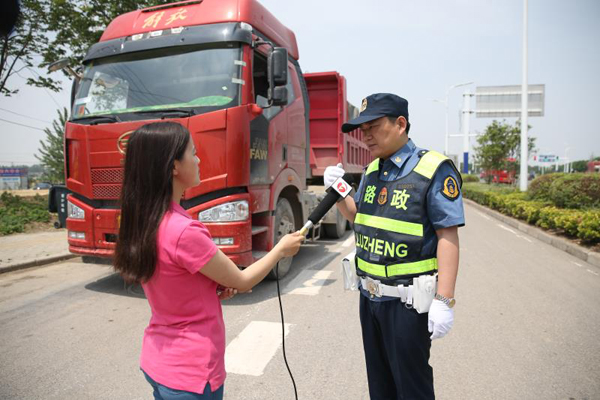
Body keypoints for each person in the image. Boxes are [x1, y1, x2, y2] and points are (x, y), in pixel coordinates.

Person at [113, 121, 304, 400]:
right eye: (193, 152)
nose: (199, 159)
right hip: (191, 374)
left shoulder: (145, 220)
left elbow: (172, 280)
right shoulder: (183, 231)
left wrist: (207, 290)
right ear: (174, 166)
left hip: (158, 362)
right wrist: (280, 249)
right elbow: (242, 280)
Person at [325, 93, 465, 399]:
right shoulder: (373, 170)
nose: (367, 136)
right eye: (363, 130)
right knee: (381, 387)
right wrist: (337, 189)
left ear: (400, 124)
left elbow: (448, 236)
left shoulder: (433, 168)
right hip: (370, 299)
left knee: (411, 388)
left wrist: (445, 299)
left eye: (374, 126)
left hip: (408, 304)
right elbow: (358, 216)